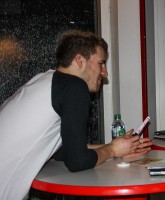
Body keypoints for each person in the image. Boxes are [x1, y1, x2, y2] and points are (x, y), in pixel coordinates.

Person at [0, 30, 153, 200]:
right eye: (101, 63)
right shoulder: (74, 87)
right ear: (80, 60)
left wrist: (117, 147)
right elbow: (77, 161)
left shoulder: (44, 80)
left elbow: (63, 151)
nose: (105, 73)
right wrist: (111, 150)